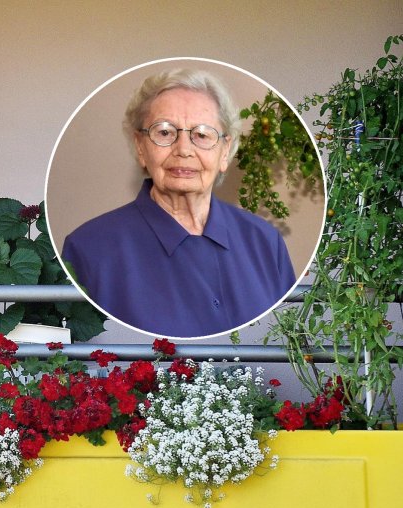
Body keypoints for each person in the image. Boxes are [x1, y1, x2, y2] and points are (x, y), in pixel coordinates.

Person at [61, 68, 295, 338]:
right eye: (164, 132)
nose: (184, 149)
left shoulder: (265, 242)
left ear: (225, 152)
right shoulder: (89, 249)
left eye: (202, 135)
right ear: (140, 147)